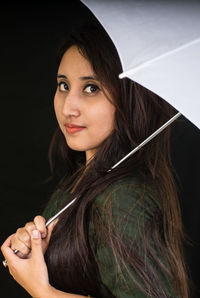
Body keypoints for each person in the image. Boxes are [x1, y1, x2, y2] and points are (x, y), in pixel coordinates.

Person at [1, 21, 189, 298]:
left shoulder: (124, 198)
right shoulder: (85, 179)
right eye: (63, 85)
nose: (68, 107)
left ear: (129, 98)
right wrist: (37, 253)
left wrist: (42, 289)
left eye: (91, 88)